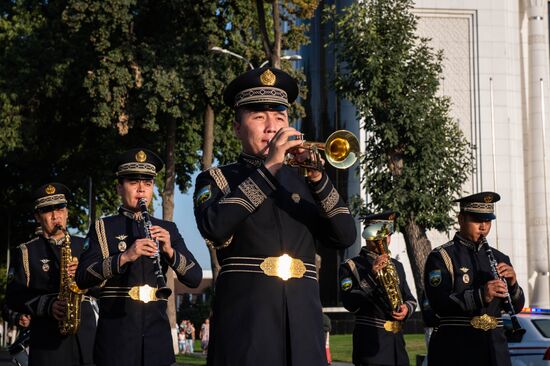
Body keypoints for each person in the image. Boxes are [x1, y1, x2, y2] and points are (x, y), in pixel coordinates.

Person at [193, 67, 357, 366]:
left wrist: (319, 178)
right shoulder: (216, 179)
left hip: (304, 321)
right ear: (237, 128)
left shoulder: (308, 181)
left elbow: (345, 236)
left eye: (280, 117)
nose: (272, 127)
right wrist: (268, 168)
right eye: (258, 117)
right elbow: (215, 227)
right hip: (248, 325)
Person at [75, 148, 202, 366]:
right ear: (118, 188)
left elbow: (195, 277)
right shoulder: (103, 227)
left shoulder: (167, 228)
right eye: (134, 182)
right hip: (117, 341)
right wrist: (124, 257)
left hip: (157, 341)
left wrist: (170, 251)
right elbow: (82, 277)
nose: (141, 189)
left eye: (148, 183)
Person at [424, 192, 525, 366]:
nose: (483, 227)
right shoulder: (441, 256)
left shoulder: (500, 257)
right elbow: (438, 304)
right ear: (461, 219)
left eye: (488, 221)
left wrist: (513, 285)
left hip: (495, 350)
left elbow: (515, 307)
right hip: (457, 350)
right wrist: (481, 295)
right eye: (478, 221)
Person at [6, 183, 96, 366]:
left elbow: (103, 287)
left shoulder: (85, 246)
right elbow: (13, 296)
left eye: (60, 208)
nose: (56, 216)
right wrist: (48, 305)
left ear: (67, 212)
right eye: (47, 211)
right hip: (47, 344)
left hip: (86, 341)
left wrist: (85, 279)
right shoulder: (26, 251)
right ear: (37, 217)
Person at [340, 211, 417, 366]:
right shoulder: (351, 266)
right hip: (370, 346)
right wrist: (371, 276)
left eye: (387, 234)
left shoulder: (397, 266)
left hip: (398, 346)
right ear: (368, 235)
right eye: (379, 234)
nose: (383, 239)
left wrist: (406, 309)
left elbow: (410, 299)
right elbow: (350, 303)